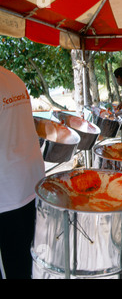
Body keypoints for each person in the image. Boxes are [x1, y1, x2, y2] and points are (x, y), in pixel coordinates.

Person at [0, 66, 45, 279]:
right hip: (30, 184)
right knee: (26, 259)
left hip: (7, 194)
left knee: (15, 262)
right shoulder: (12, 78)